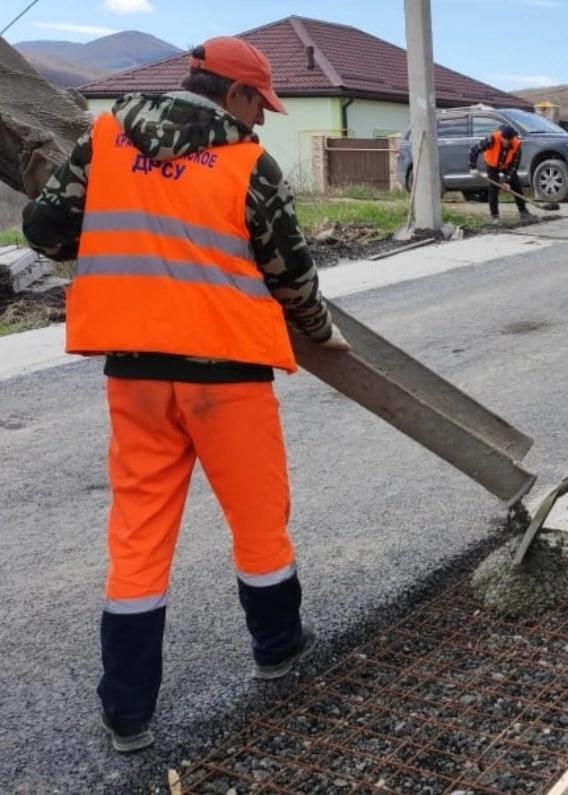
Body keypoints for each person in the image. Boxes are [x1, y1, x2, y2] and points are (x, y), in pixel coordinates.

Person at [22, 36, 350, 753]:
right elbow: (292, 278)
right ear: (230, 95)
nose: (261, 121)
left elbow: (44, 230)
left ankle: (126, 712)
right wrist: (323, 332)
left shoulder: (104, 140)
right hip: (227, 376)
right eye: (257, 105)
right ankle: (277, 647)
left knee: (139, 535)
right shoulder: (249, 166)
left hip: (134, 375)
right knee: (260, 522)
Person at [469, 124, 530, 221]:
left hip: (507, 165)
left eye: (508, 140)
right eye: (504, 139)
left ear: (512, 138)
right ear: (501, 136)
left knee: (516, 185)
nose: (506, 142)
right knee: (493, 189)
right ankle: (495, 217)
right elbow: (474, 149)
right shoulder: (492, 139)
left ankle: (523, 212)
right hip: (492, 165)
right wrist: (473, 167)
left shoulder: (516, 144)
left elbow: (514, 165)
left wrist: (507, 181)